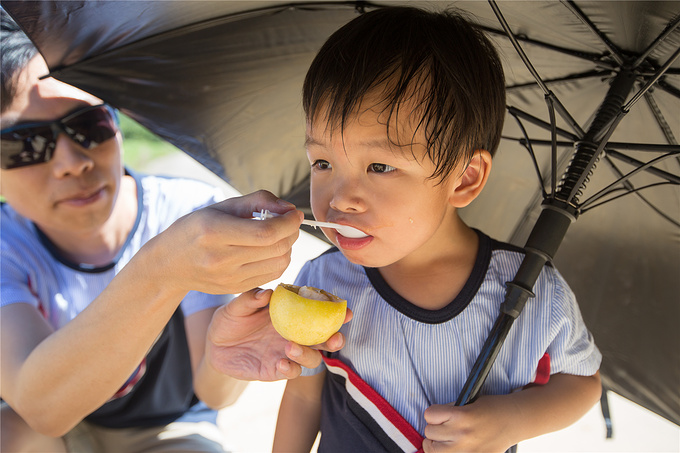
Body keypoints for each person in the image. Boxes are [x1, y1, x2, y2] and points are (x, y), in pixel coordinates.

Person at [0, 9, 345, 452]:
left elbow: (213, 392)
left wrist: (235, 343)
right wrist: (163, 268)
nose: (73, 163)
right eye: (27, 144)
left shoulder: (185, 213)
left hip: (168, 432)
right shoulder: (9, 246)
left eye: (88, 126)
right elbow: (41, 410)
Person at [272, 6, 602, 453]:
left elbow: (582, 383)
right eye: (323, 162)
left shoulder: (530, 292)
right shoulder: (323, 285)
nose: (339, 198)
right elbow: (301, 396)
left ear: (464, 177)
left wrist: (510, 421)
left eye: (379, 165)